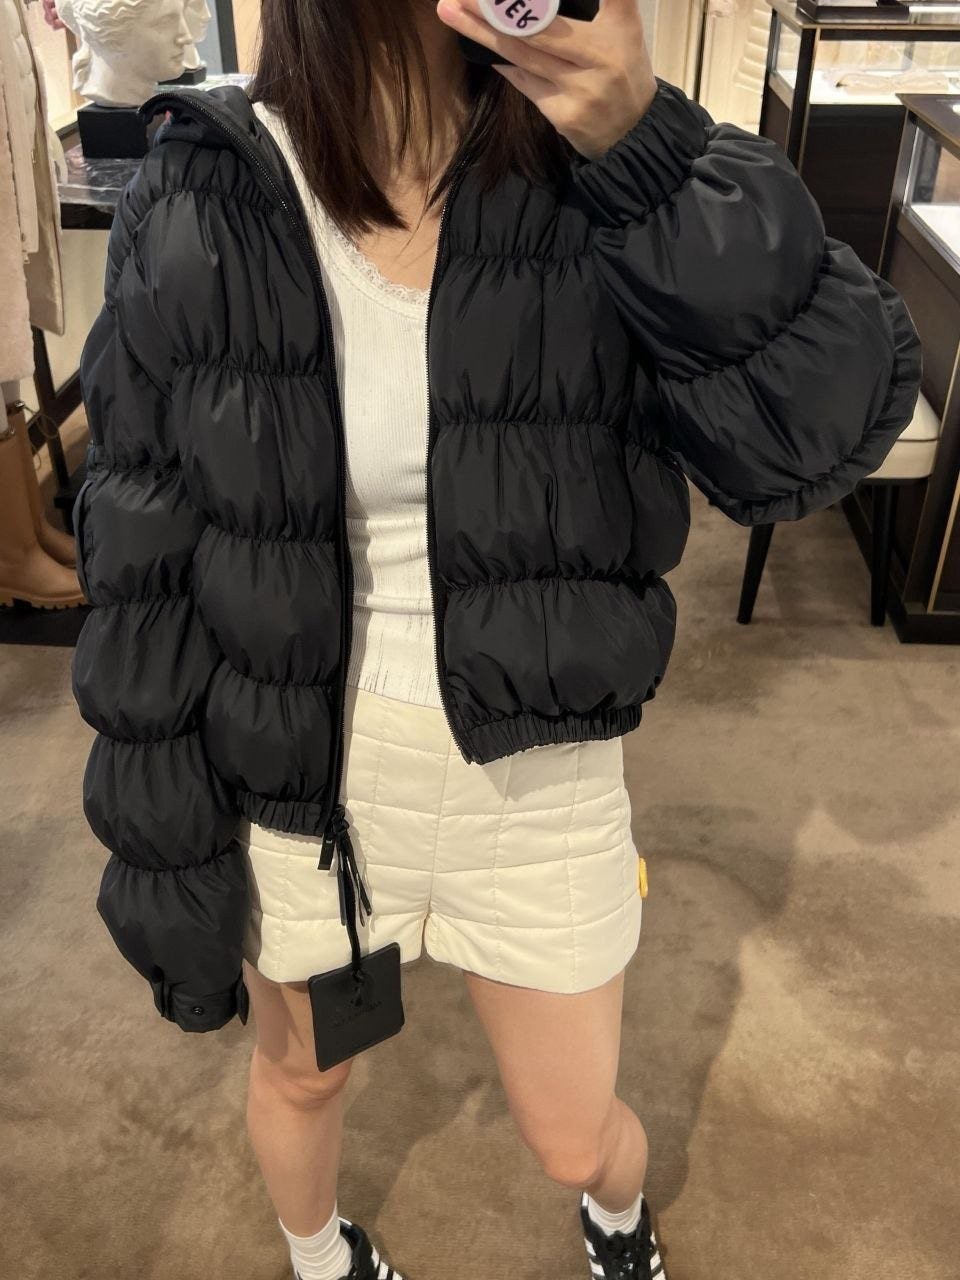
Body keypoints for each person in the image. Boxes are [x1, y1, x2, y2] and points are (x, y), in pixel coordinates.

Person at [70, 1, 922, 1278]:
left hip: (537, 764)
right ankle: (322, 1256)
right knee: (302, 1077)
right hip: (300, 768)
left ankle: (616, 1217)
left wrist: (643, 147)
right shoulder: (205, 183)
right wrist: (166, 861)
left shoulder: (606, 159)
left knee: (575, 1132)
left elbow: (818, 440)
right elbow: (142, 562)